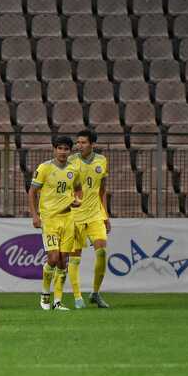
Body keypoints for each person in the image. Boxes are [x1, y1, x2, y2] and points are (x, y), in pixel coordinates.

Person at [29, 136, 82, 310]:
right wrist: (35, 216)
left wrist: (78, 200)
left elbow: (78, 189)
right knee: (53, 257)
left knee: (63, 260)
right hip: (50, 219)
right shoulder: (44, 168)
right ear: (54, 149)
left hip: (68, 219)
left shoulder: (74, 169)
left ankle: (58, 301)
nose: (63, 152)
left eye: (66, 149)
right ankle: (45, 294)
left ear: (70, 151)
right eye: (60, 148)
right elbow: (32, 192)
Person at [69, 130, 111, 309]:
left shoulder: (102, 160)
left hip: (95, 215)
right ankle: (77, 297)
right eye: (78, 142)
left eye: (83, 142)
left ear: (92, 144)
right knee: (75, 258)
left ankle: (95, 293)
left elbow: (102, 190)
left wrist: (106, 215)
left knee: (101, 252)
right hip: (75, 216)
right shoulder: (71, 161)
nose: (79, 145)